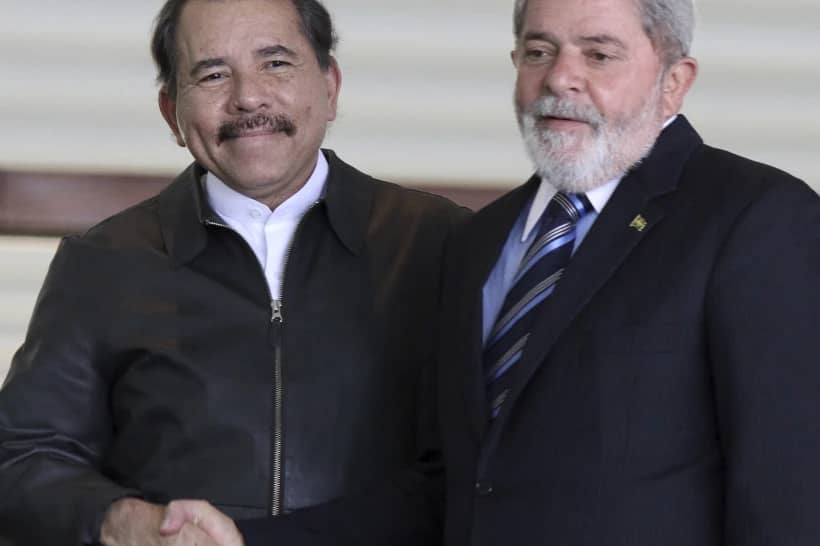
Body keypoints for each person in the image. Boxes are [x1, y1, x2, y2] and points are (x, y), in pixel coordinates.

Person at [165, 0, 820, 544]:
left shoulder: (757, 220)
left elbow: (788, 493)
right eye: (539, 51)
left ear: (675, 78)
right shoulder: (479, 240)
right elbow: (449, 484)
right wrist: (247, 538)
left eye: (598, 53)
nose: (560, 78)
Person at [0, 0, 466, 544]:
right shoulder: (104, 261)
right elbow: (21, 458)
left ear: (330, 86)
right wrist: (123, 522)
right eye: (213, 74)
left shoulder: (439, 243)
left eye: (276, 63)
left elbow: (480, 461)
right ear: (171, 112)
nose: (248, 97)